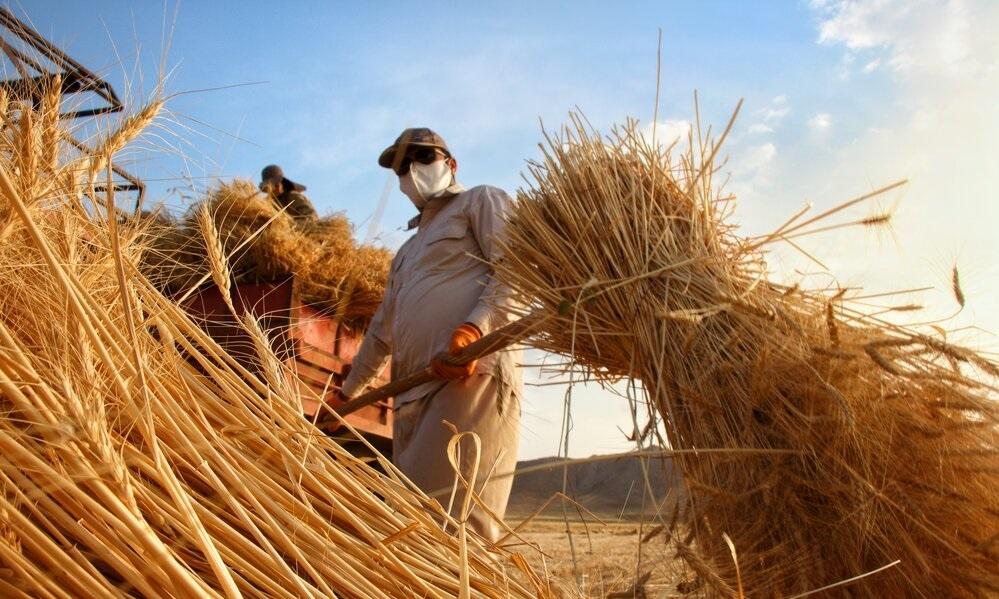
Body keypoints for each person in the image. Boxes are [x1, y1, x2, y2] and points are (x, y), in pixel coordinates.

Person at [339, 128, 522, 542]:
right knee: (414, 533)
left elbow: (516, 270)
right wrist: (347, 395)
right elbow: (382, 330)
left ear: (450, 164)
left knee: (457, 532)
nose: (412, 171)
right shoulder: (406, 252)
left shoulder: (481, 201)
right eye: (402, 167)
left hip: (468, 379)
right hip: (411, 395)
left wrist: (474, 330)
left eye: (423, 158)